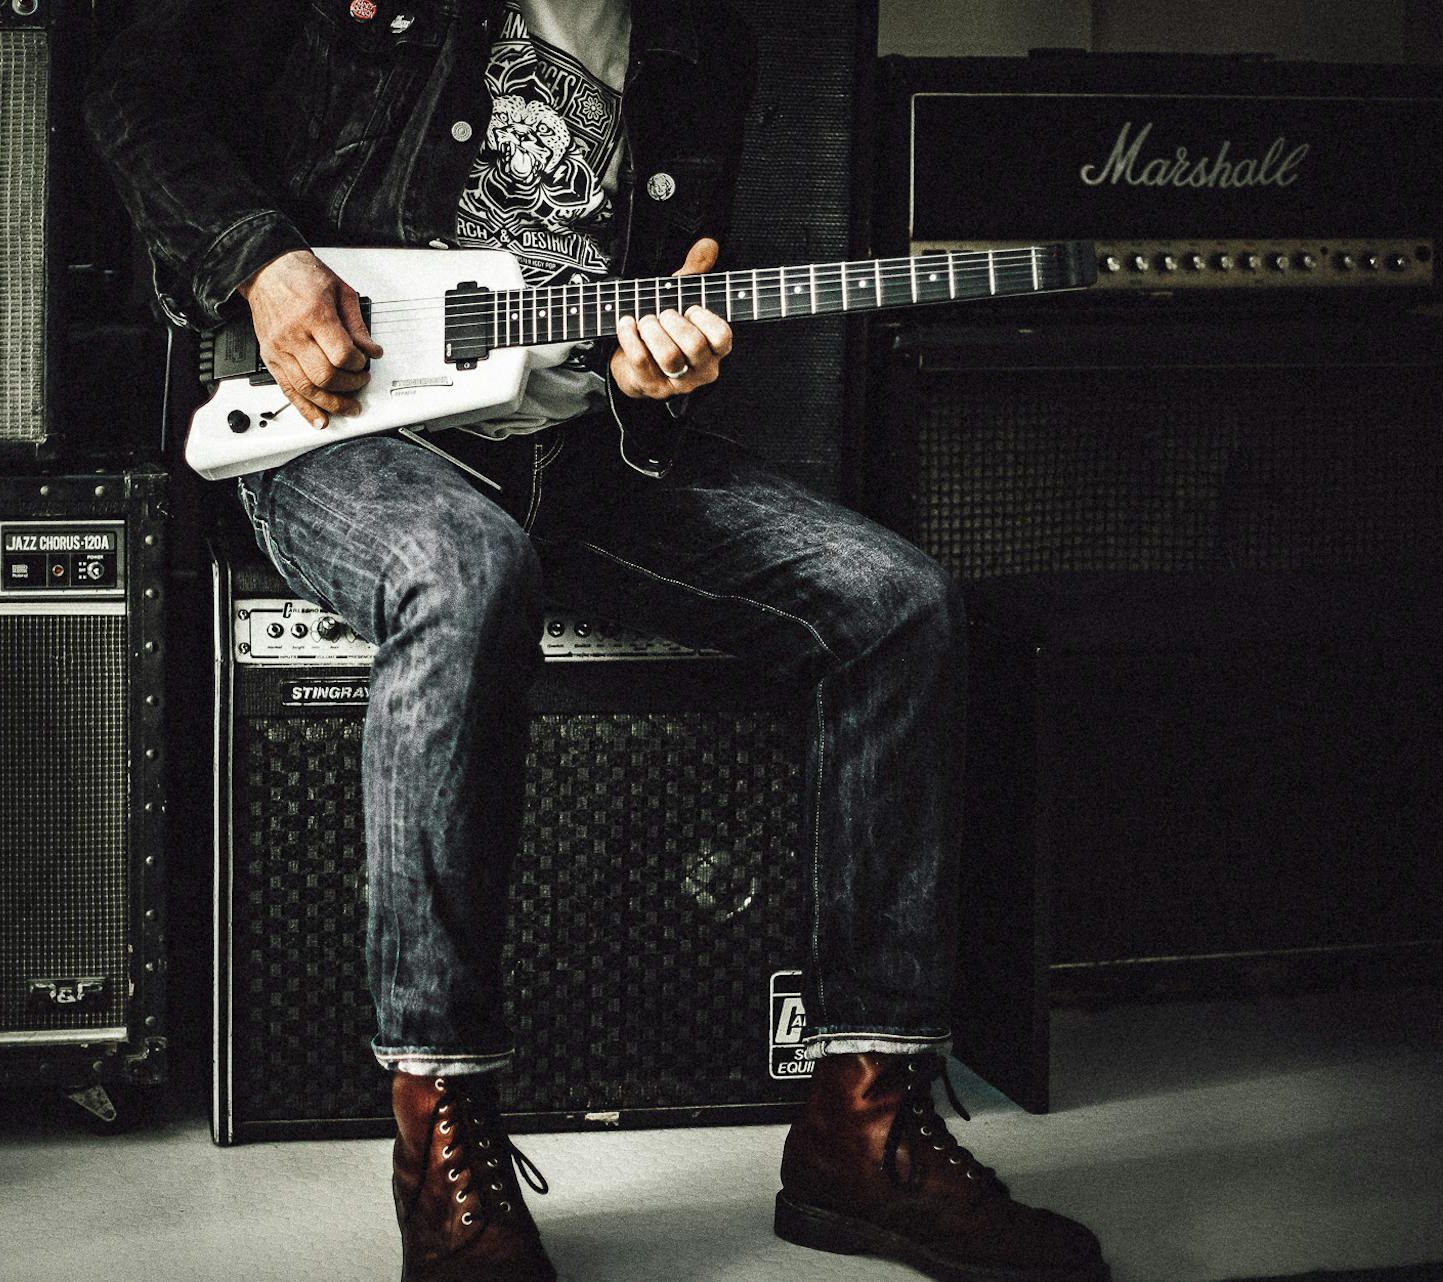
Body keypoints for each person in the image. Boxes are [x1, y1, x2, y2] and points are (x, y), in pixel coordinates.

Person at [87, 3, 1108, 1279]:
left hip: (580, 452)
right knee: (463, 568)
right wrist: (263, 261)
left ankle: (863, 1122)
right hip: (337, 436)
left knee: (895, 601)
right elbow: (134, 93)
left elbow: (665, 293)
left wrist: (658, 367)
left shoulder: (700, 37)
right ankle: (441, 1127)